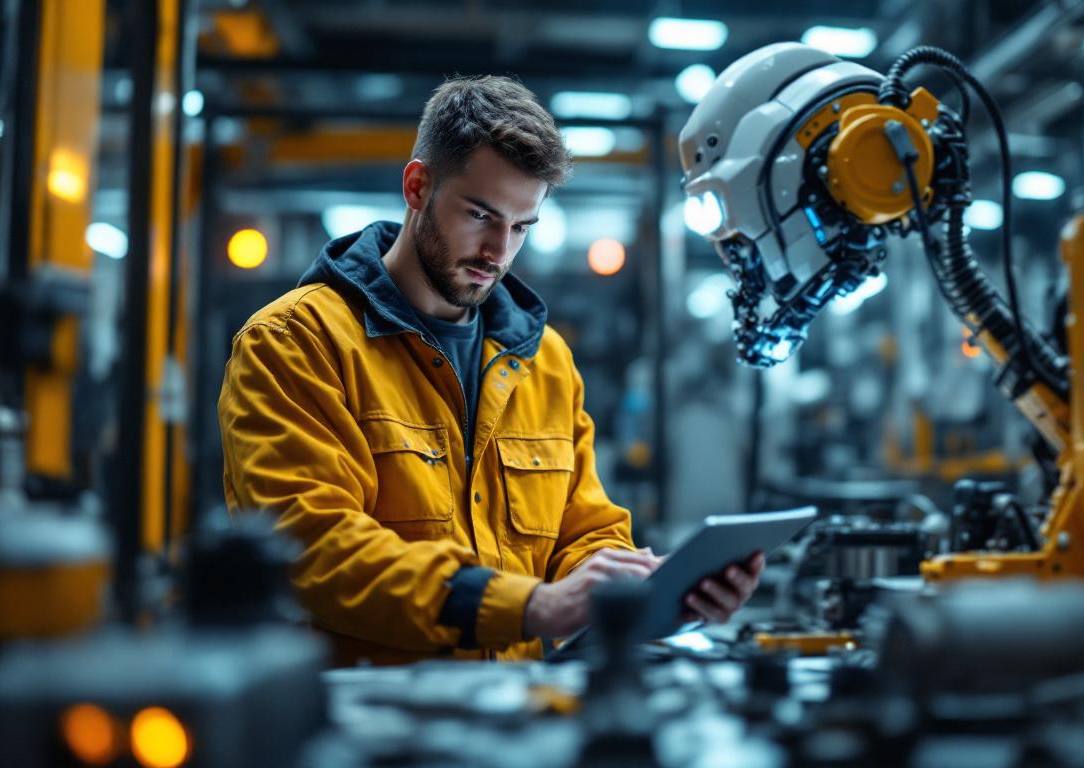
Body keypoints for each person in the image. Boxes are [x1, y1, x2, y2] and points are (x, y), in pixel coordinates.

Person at [218, 75, 763, 665]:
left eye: (522, 227)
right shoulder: (297, 343)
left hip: (518, 720)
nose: (498, 252)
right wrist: (529, 607)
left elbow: (581, 531)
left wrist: (645, 589)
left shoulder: (544, 359)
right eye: (482, 215)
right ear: (417, 186)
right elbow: (314, 548)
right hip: (368, 726)